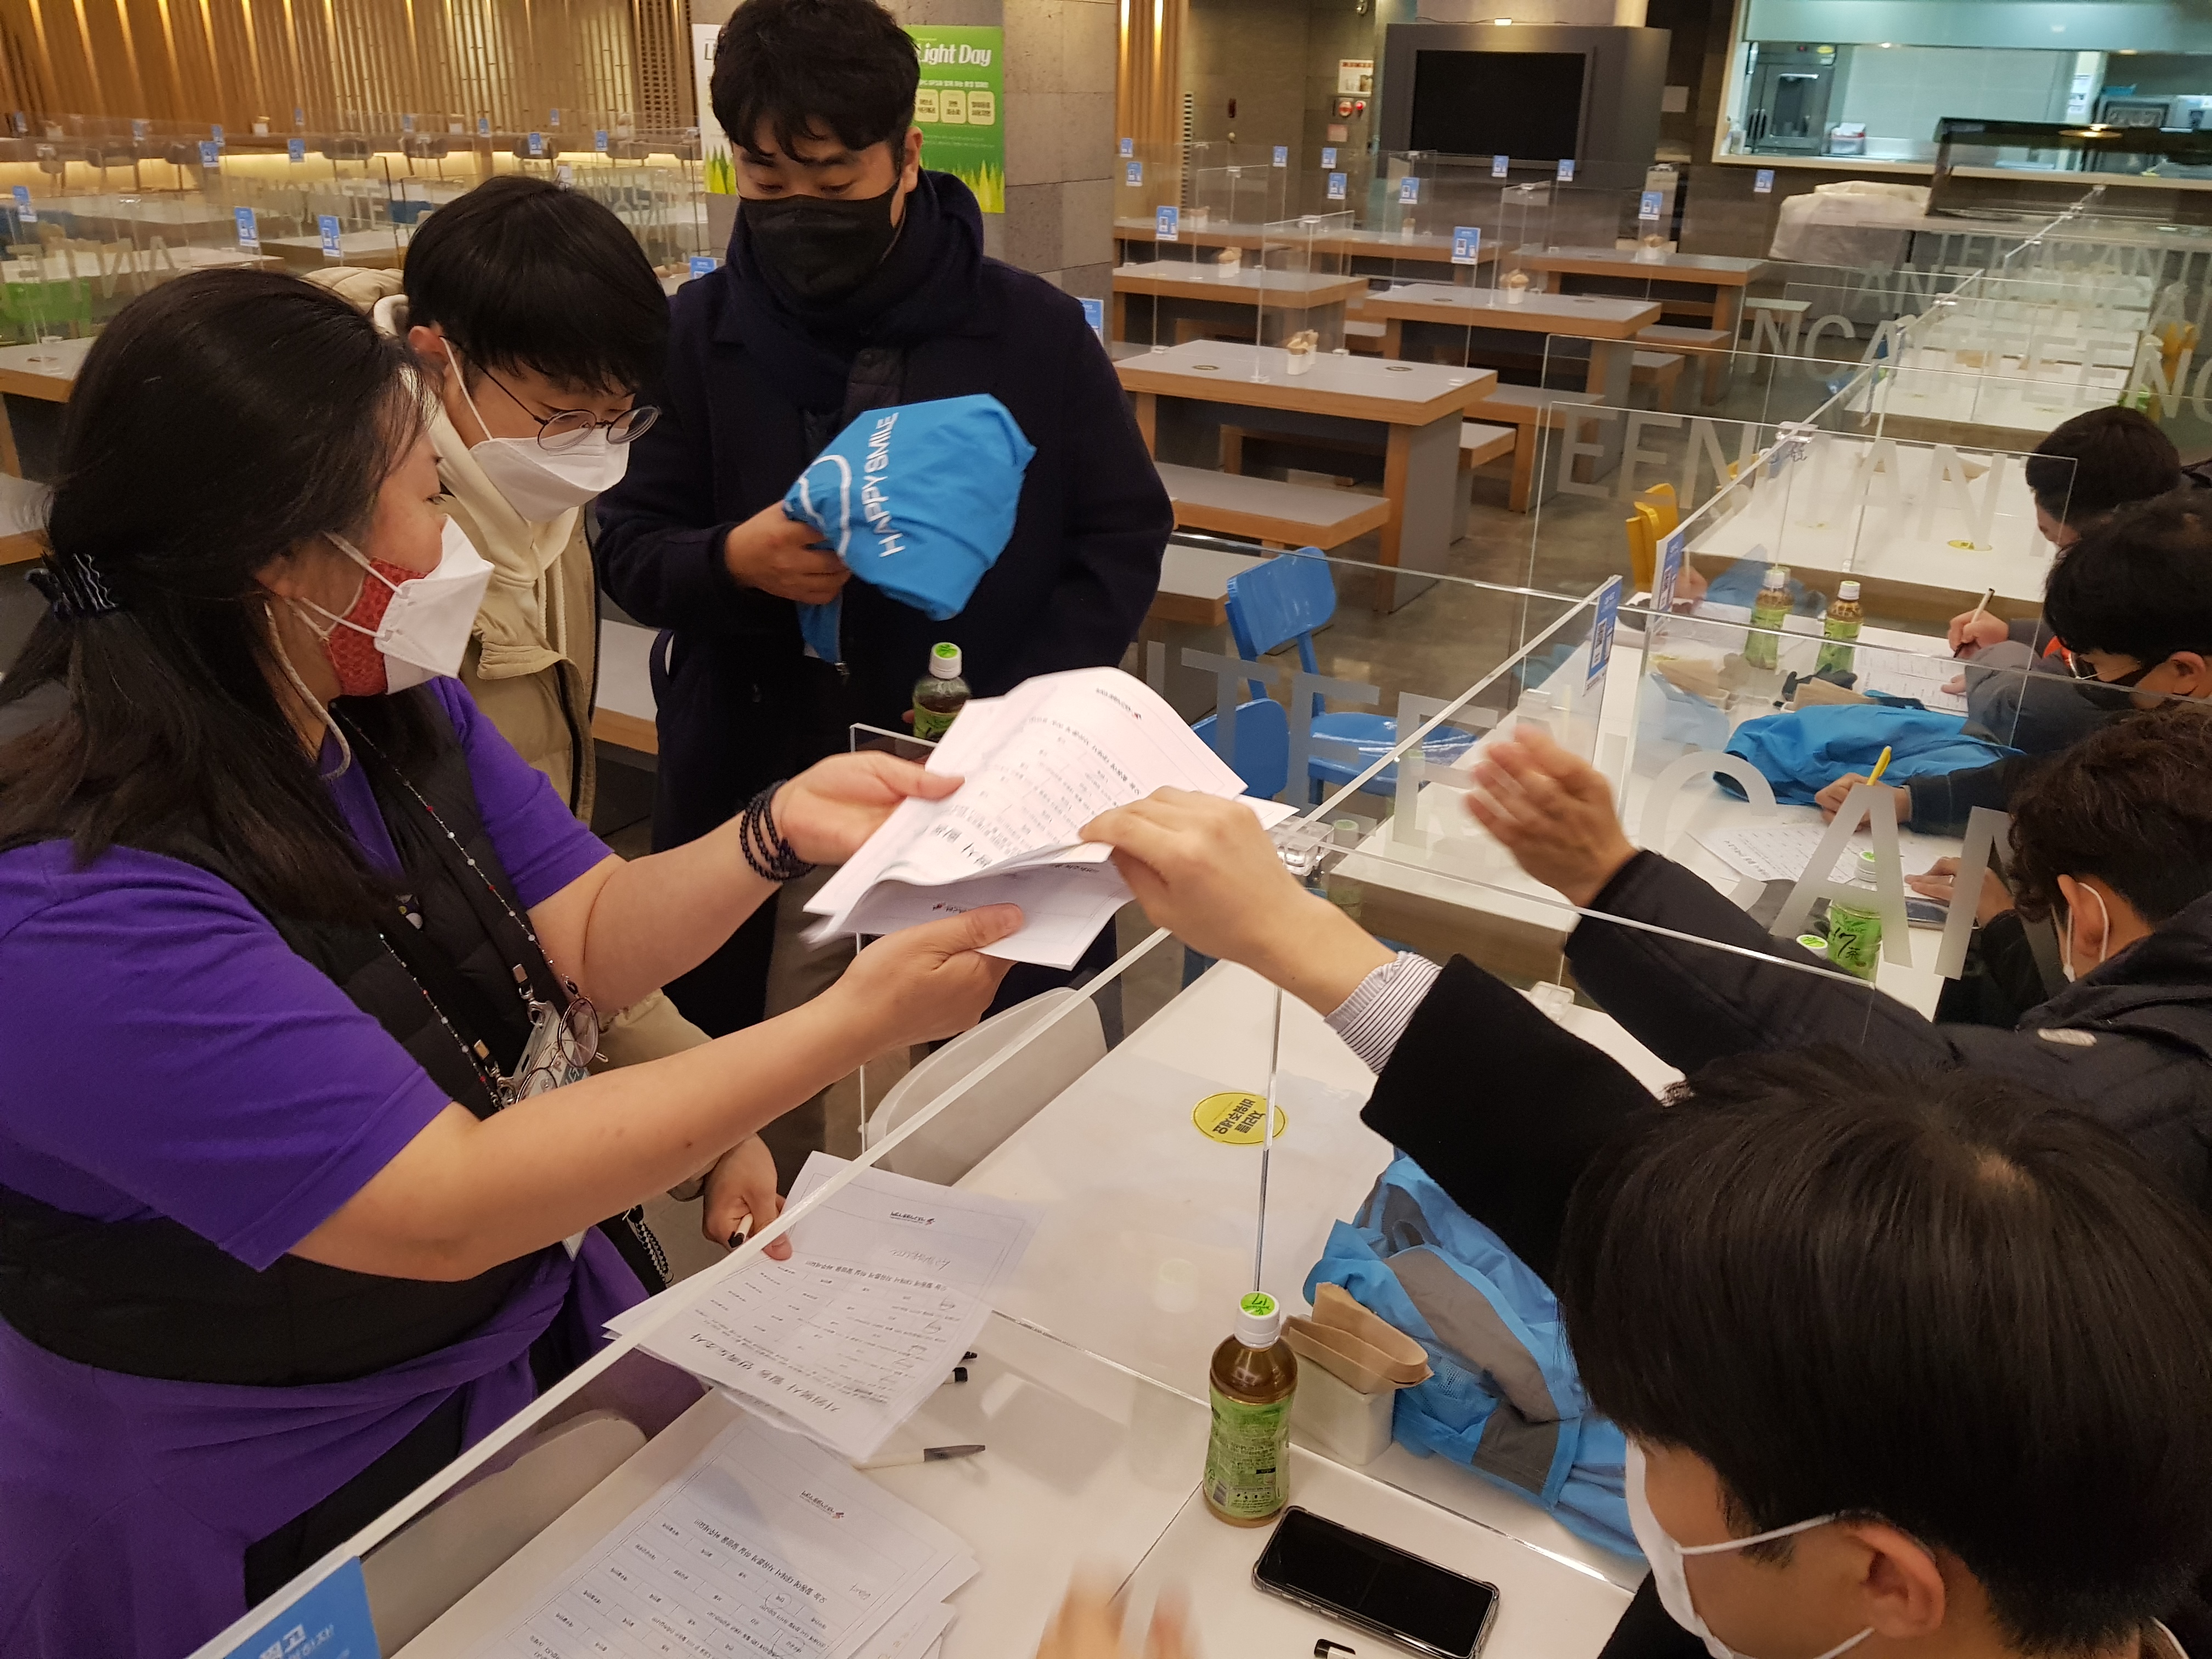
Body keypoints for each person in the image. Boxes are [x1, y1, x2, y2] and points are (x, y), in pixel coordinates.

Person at [0, 271, 1022, 1658]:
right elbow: (447, 1204)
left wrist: (774, 832)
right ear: (281, 555)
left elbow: (588, 934)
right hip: (258, 1474)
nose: (450, 543)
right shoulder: (77, 897)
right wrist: (849, 1026)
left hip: (488, 1360)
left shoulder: (367, 704)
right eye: (427, 497)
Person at [1080, 791, 2212, 1659]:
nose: (1630, 1453)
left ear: (1882, 1576)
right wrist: (1297, 935)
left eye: (1654, 1437)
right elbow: (1665, 1230)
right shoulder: (2047, 1486)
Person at [595, 0, 1171, 1125]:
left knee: (995, 1092)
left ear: (907, 155)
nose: (798, 209)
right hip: (755, 778)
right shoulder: (693, 336)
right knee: (753, 1098)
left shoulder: (1031, 333)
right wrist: (732, 560)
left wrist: (1014, 717)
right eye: (766, 179)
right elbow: (627, 548)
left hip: (982, 779)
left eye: (832, 176)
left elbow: (1120, 535)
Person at [371, 174, 755, 1240]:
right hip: (428, 1048)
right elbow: (502, 880)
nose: (593, 447)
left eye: (616, 417)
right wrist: (701, 1103)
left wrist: (699, 1102)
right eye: (562, 417)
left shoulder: (539, 510)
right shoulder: (386, 571)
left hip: (534, 999)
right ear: (436, 359)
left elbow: (549, 859)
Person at [1821, 491, 2212, 834]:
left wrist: (2008, 908)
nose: (2078, 674)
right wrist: (1910, 801)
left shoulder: (2193, 768)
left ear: (2184, 672)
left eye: (2089, 667)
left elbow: (2109, 794)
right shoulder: (2170, 703)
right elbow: (2060, 775)